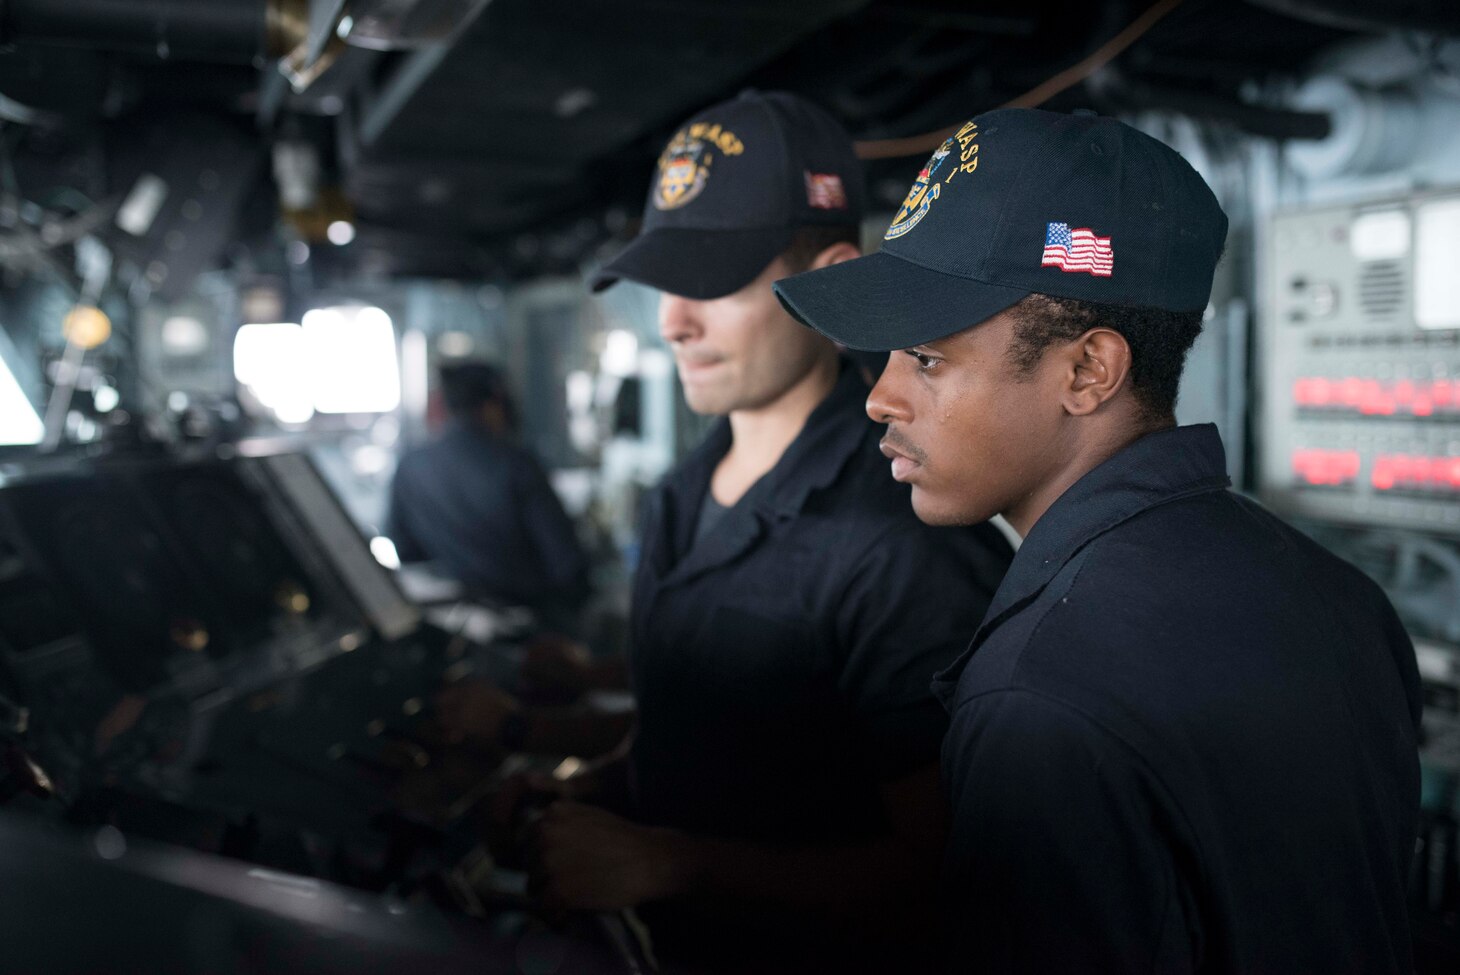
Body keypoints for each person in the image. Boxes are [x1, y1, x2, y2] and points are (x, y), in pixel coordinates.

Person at [773, 107, 1423, 973]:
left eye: (925, 358)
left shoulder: (1039, 692)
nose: (880, 398)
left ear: (1087, 371)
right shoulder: (1342, 596)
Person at [445, 91, 1013, 971]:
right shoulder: (679, 494)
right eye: (669, 283)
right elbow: (695, 746)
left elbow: (942, 870)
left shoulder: (900, 535)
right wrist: (586, 792)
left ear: (831, 276)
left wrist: (671, 863)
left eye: (716, 281)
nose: (673, 320)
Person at [387, 361, 589, 618]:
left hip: (450, 624)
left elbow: (406, 553)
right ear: (494, 405)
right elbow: (567, 565)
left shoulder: (410, 467)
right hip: (525, 627)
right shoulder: (516, 465)